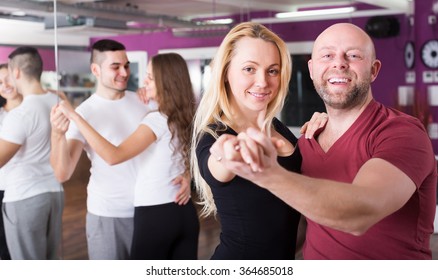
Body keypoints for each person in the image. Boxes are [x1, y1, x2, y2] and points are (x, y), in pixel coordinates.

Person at [211, 23, 437, 259]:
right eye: (327, 55)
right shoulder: (308, 140)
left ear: (374, 70)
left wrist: (267, 173)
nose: (339, 63)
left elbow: (359, 214)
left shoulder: (401, 133)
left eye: (353, 55)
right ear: (311, 69)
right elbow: (305, 224)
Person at [50, 40, 190, 260]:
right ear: (95, 70)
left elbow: (176, 144)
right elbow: (62, 173)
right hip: (108, 215)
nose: (124, 72)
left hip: (148, 212)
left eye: (126, 65)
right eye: (115, 67)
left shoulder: (146, 101)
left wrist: (187, 175)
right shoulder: (84, 112)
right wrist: (57, 135)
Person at [190, 22, 304, 260]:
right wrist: (231, 155)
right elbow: (215, 166)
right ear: (226, 73)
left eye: (272, 70)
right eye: (249, 69)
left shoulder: (277, 127)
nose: (263, 82)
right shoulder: (214, 135)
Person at [0, 47, 64, 260]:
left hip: (25, 196)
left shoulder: (21, 114)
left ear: (16, 72)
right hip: (54, 192)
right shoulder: (58, 101)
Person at [0, 63, 22, 260]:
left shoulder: (35, 109)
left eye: (9, 79)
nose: (5, 85)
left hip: (26, 190)